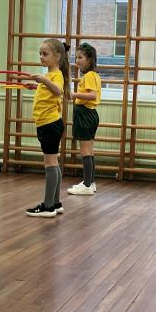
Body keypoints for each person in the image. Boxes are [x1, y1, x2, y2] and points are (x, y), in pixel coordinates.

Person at [25, 39, 70, 217]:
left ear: (57, 56)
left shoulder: (56, 75)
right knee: (53, 163)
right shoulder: (51, 75)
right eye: (40, 54)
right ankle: (56, 203)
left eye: (45, 54)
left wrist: (43, 80)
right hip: (48, 123)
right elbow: (49, 92)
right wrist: (37, 85)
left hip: (49, 124)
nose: (41, 57)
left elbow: (58, 90)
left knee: (50, 163)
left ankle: (48, 206)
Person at [67, 43, 101, 196]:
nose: (77, 60)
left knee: (85, 151)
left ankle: (87, 185)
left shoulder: (89, 76)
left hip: (85, 114)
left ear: (89, 59)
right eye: (76, 57)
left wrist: (74, 95)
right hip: (88, 114)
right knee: (89, 151)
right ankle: (90, 182)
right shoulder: (92, 75)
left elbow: (92, 95)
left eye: (80, 57)